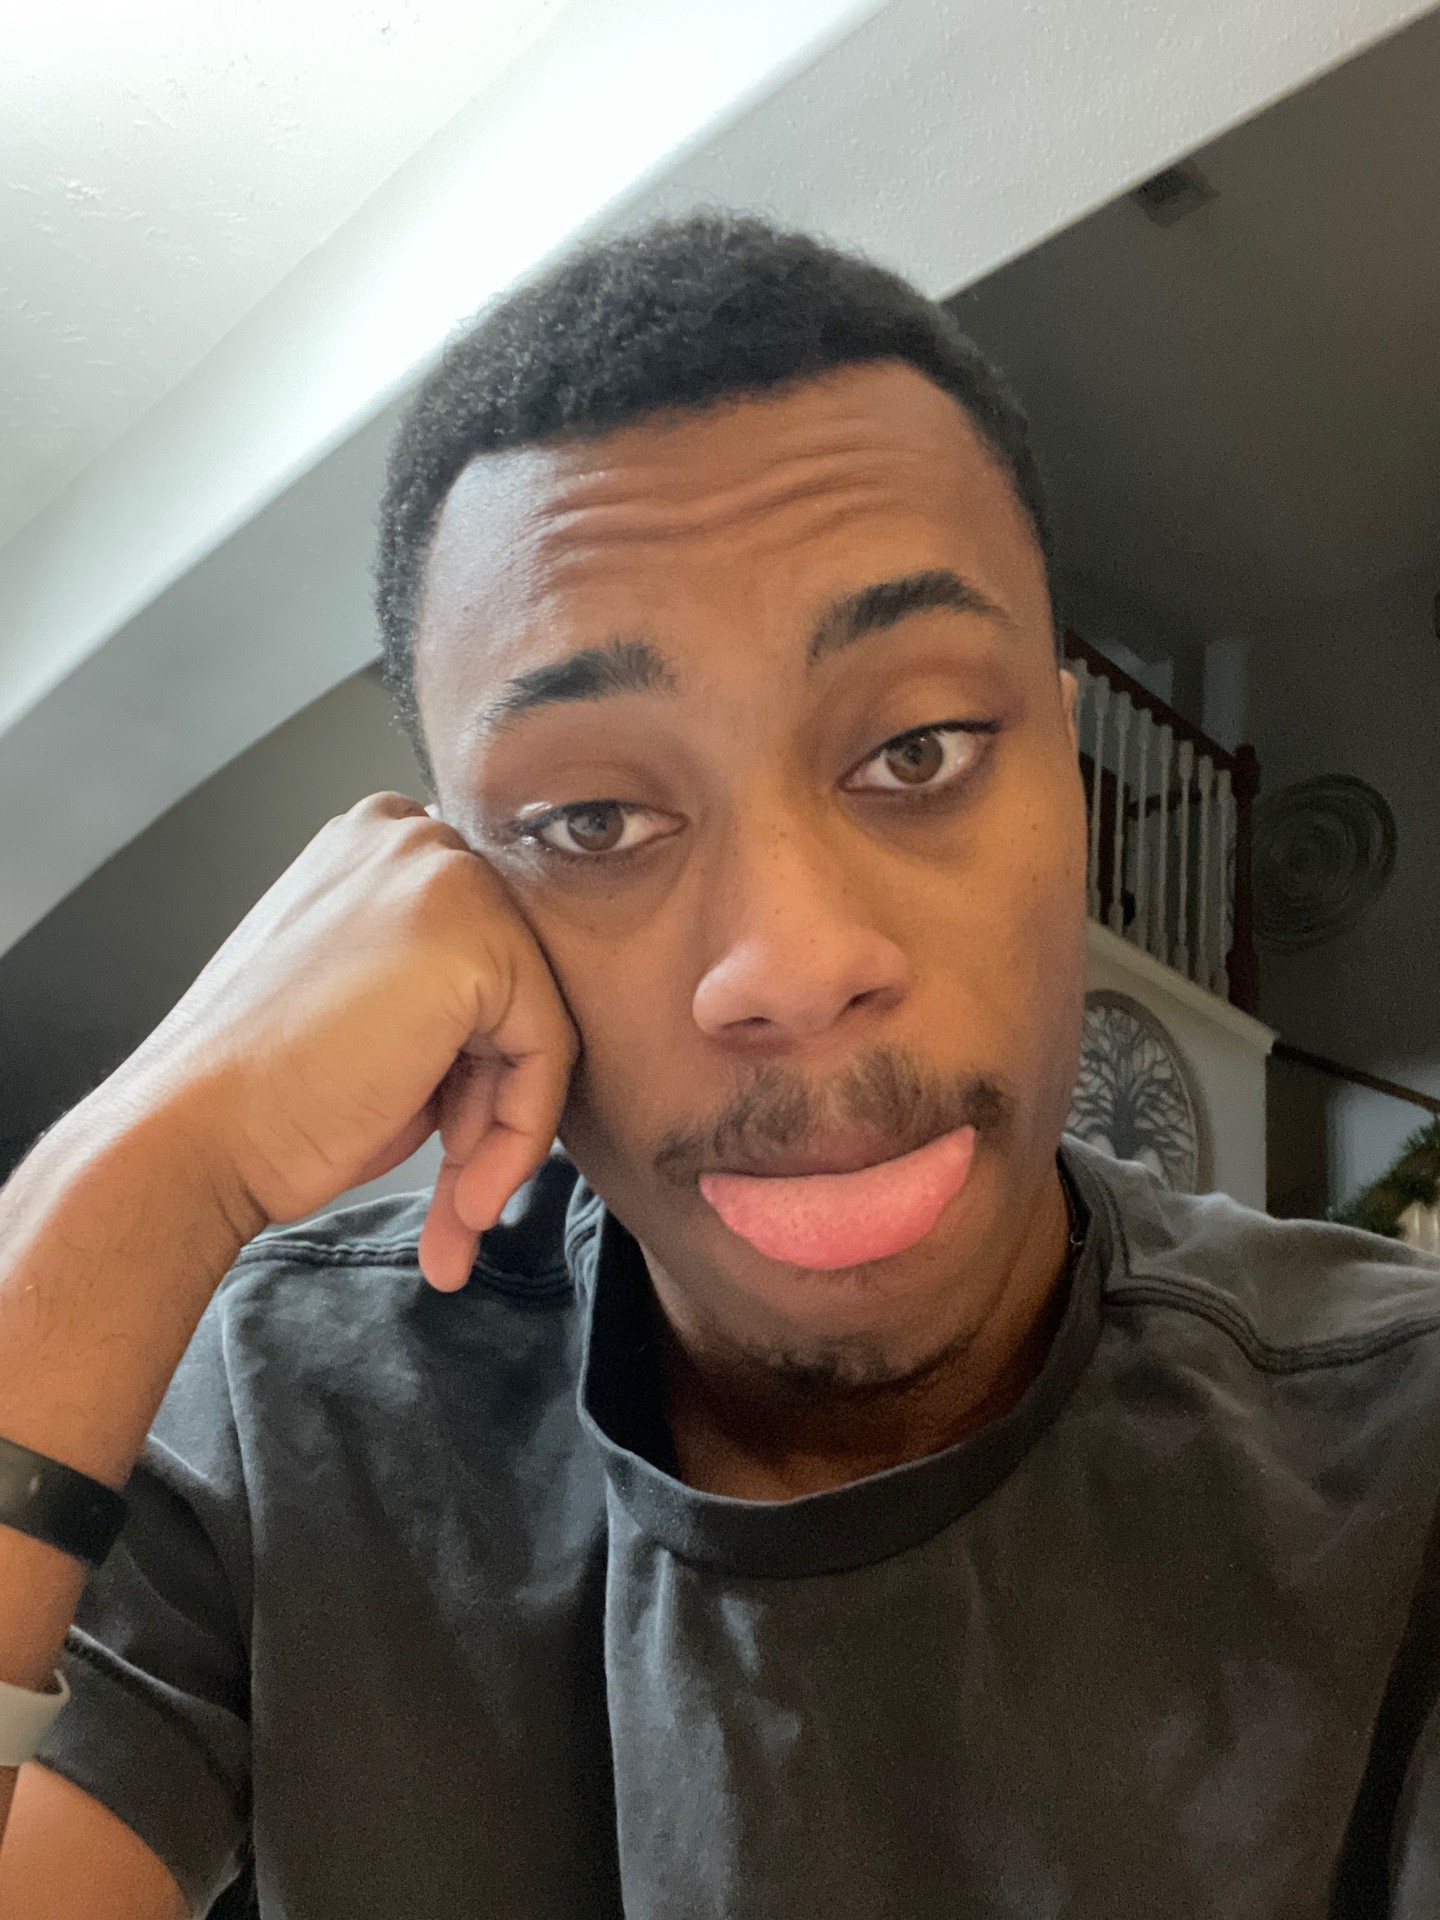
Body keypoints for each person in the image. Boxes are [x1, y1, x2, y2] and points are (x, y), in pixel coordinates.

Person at [0, 215, 1437, 1920]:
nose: (796, 968)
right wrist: (130, 1178)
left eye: (920, 748)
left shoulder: (1401, 1453)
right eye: (592, 819)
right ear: (447, 897)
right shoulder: (288, 1422)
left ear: (1069, 775)